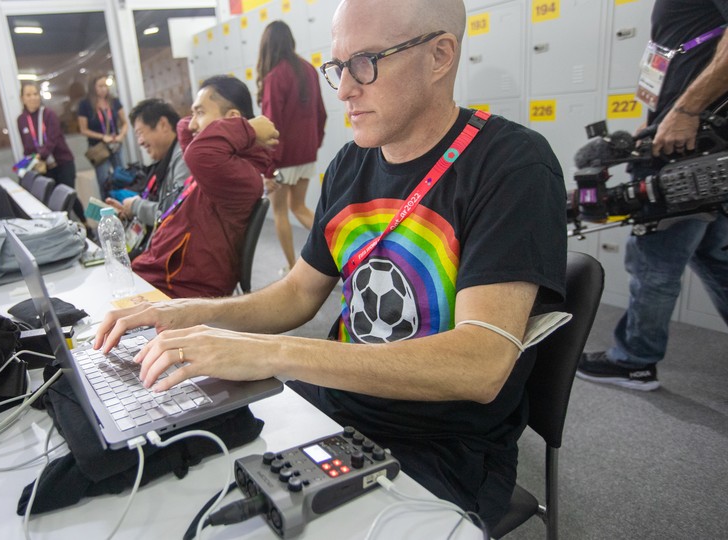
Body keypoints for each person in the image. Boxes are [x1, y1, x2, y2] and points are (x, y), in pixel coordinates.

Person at [95, 0, 567, 529]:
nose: (343, 90)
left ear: (439, 56)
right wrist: (183, 314)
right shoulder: (350, 163)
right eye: (338, 66)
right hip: (336, 405)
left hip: (439, 443)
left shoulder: (511, 166)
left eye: (366, 62)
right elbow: (298, 293)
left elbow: (481, 363)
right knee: (168, 476)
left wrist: (270, 353)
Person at [576, 0, 728, 392]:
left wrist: (687, 112)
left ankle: (635, 361)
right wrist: (650, 130)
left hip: (690, 145)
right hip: (679, 140)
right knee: (713, 254)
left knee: (654, 263)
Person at [129, 76, 276, 298]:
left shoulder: (240, 174)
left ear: (233, 120)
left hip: (178, 290)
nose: (191, 123)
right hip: (160, 274)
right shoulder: (222, 163)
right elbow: (183, 129)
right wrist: (240, 127)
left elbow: (197, 152)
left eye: (200, 113)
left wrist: (245, 128)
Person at [257, 20, 327, 271]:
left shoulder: (275, 76)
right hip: (306, 155)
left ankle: (291, 268)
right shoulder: (308, 69)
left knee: (281, 213)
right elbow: (322, 113)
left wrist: (268, 167)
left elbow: (271, 126)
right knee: (299, 207)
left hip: (281, 160)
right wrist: (313, 146)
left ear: (266, 46)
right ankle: (336, 249)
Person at [104, 99, 191, 256]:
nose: (140, 142)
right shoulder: (166, 160)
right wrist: (130, 210)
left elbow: (174, 214)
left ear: (163, 125)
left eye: (140, 133)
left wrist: (137, 206)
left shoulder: (183, 158)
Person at [16, 81, 84, 220]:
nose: (32, 97)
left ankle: (85, 223)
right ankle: (65, 227)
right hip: (44, 167)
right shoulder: (21, 120)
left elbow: (52, 140)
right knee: (53, 200)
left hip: (62, 162)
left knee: (68, 195)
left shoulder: (49, 114)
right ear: (22, 98)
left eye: (35, 94)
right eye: (28, 95)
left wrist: (40, 156)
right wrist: (25, 167)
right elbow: (27, 147)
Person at [78, 73, 129, 199]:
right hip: (99, 148)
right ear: (93, 87)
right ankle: (108, 209)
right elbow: (83, 129)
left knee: (121, 177)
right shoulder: (85, 104)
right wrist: (102, 137)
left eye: (105, 86)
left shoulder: (114, 101)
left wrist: (121, 135)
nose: (103, 89)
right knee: (104, 180)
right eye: (100, 86)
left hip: (115, 144)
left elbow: (125, 123)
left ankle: (124, 205)